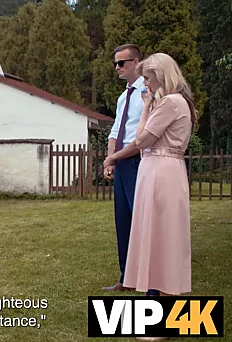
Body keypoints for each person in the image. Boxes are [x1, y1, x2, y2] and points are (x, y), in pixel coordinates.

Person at [107, 52, 195, 341]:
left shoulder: (170, 102)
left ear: (161, 75)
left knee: (161, 238)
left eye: (148, 77)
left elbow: (142, 138)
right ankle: (158, 313)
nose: (144, 82)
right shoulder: (174, 102)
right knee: (157, 236)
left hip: (160, 170)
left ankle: (163, 323)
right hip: (159, 169)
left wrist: (146, 106)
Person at [102, 44, 158, 295]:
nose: (116, 68)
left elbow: (144, 136)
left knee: (143, 221)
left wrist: (117, 156)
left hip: (140, 161)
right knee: (123, 220)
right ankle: (127, 277)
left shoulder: (150, 94)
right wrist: (111, 160)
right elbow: (117, 130)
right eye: (115, 63)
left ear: (136, 62)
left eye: (121, 63)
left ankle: (152, 282)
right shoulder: (123, 97)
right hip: (122, 163)